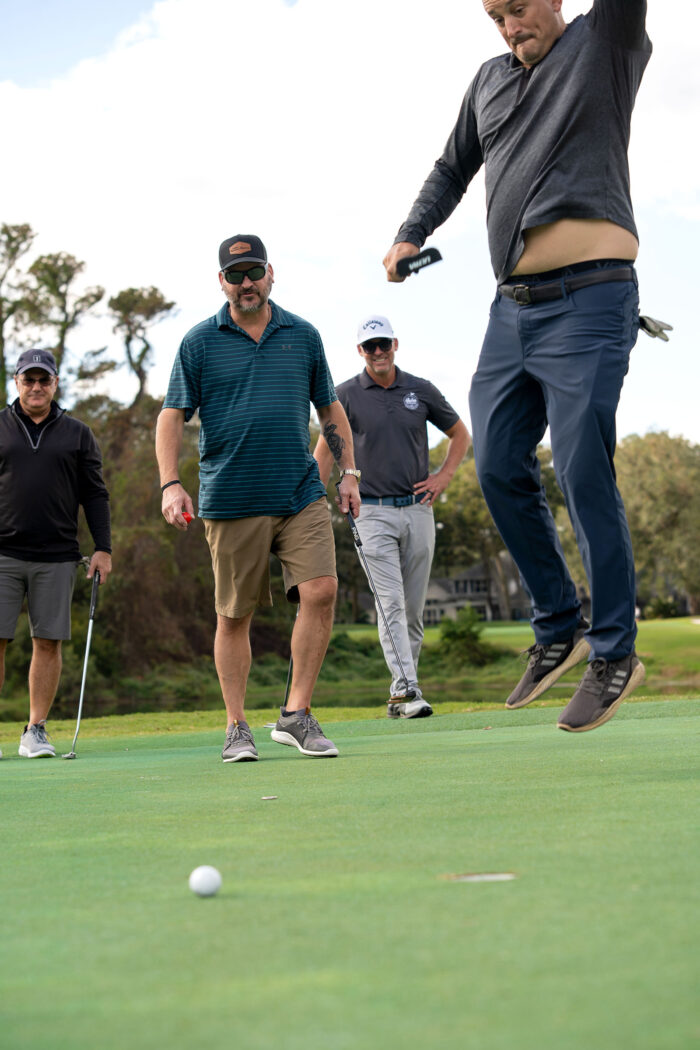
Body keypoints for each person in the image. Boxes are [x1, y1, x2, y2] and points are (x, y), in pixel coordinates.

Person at [383, 0, 651, 732]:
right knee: (497, 463)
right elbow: (450, 168)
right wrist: (412, 234)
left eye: (520, 8)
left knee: (581, 465)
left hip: (592, 299)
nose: (509, 26)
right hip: (512, 311)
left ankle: (614, 652)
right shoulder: (488, 81)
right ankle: (558, 623)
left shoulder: (604, 44)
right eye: (495, 14)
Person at [156, 235, 360, 763]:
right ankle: (236, 726)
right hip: (230, 499)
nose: (245, 282)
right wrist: (170, 483)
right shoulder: (199, 342)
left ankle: (296, 714)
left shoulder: (304, 335)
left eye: (253, 271)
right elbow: (171, 416)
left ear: (270, 273)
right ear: (220, 282)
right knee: (234, 616)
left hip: (299, 492)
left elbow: (331, 411)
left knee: (320, 591)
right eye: (234, 274)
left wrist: (349, 472)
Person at [314, 314, 469, 718]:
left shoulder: (420, 390)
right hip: (370, 513)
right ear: (360, 351)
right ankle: (407, 689)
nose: (378, 352)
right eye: (370, 346)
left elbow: (460, 435)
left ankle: (401, 697)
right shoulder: (344, 394)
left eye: (384, 344)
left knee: (413, 610)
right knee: (390, 603)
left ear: (395, 345)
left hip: (418, 510)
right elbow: (325, 451)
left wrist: (443, 476)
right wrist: (311, 502)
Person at [0, 349, 112, 759]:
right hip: (3, 553)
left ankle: (35, 730)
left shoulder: (77, 433)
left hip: (58, 555)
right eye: (28, 380)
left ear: (55, 384)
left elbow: (95, 494)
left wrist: (103, 548)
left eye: (43, 380)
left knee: (48, 641)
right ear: (16, 382)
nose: (36, 387)